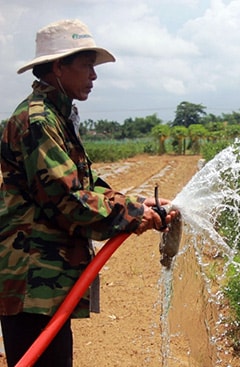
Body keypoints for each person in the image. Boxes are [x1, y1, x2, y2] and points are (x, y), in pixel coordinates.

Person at [0, 19, 178, 367]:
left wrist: (140, 204)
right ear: (58, 67)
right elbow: (67, 200)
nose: (94, 76)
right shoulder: (38, 121)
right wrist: (131, 216)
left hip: (44, 281)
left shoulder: (57, 116)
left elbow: (86, 183)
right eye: (86, 65)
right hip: (31, 278)